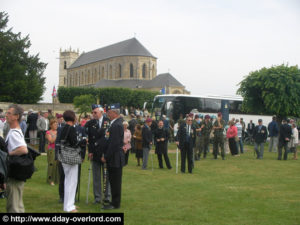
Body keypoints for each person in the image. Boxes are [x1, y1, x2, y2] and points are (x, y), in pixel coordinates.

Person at [85, 104, 111, 204]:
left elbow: (108, 139)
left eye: (95, 112)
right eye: (92, 112)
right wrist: (90, 151)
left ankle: (107, 196)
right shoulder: (91, 123)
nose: (93, 114)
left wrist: (106, 154)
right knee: (96, 177)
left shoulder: (107, 122)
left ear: (101, 112)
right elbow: (90, 139)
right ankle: (97, 197)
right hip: (95, 153)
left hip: (105, 153)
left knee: (106, 176)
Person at [5, 104, 28, 213]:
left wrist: (9, 153)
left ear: (16, 116)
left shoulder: (14, 133)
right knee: (17, 204)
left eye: (9, 113)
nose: (6, 115)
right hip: (17, 172)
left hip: (15, 172)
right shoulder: (14, 131)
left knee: (13, 206)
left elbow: (23, 149)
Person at [101, 103, 125, 210]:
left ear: (115, 113)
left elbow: (114, 143)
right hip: (114, 156)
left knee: (115, 181)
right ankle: (114, 201)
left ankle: (115, 203)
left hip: (115, 157)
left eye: (109, 112)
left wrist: (106, 156)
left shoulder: (117, 125)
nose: (108, 114)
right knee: (113, 180)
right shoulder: (114, 123)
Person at [58, 110, 81, 212]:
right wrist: (83, 141)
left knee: (68, 181)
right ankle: (69, 206)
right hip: (70, 156)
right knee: (72, 182)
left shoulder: (63, 128)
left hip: (64, 156)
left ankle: (67, 205)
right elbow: (74, 143)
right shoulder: (71, 128)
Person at [45, 119, 59, 186]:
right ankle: (50, 180)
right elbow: (51, 141)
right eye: (54, 124)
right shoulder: (48, 132)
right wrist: (57, 135)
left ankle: (57, 179)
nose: (56, 125)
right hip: (51, 150)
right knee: (52, 164)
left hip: (58, 149)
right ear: (51, 125)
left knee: (57, 165)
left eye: (57, 124)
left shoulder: (58, 131)